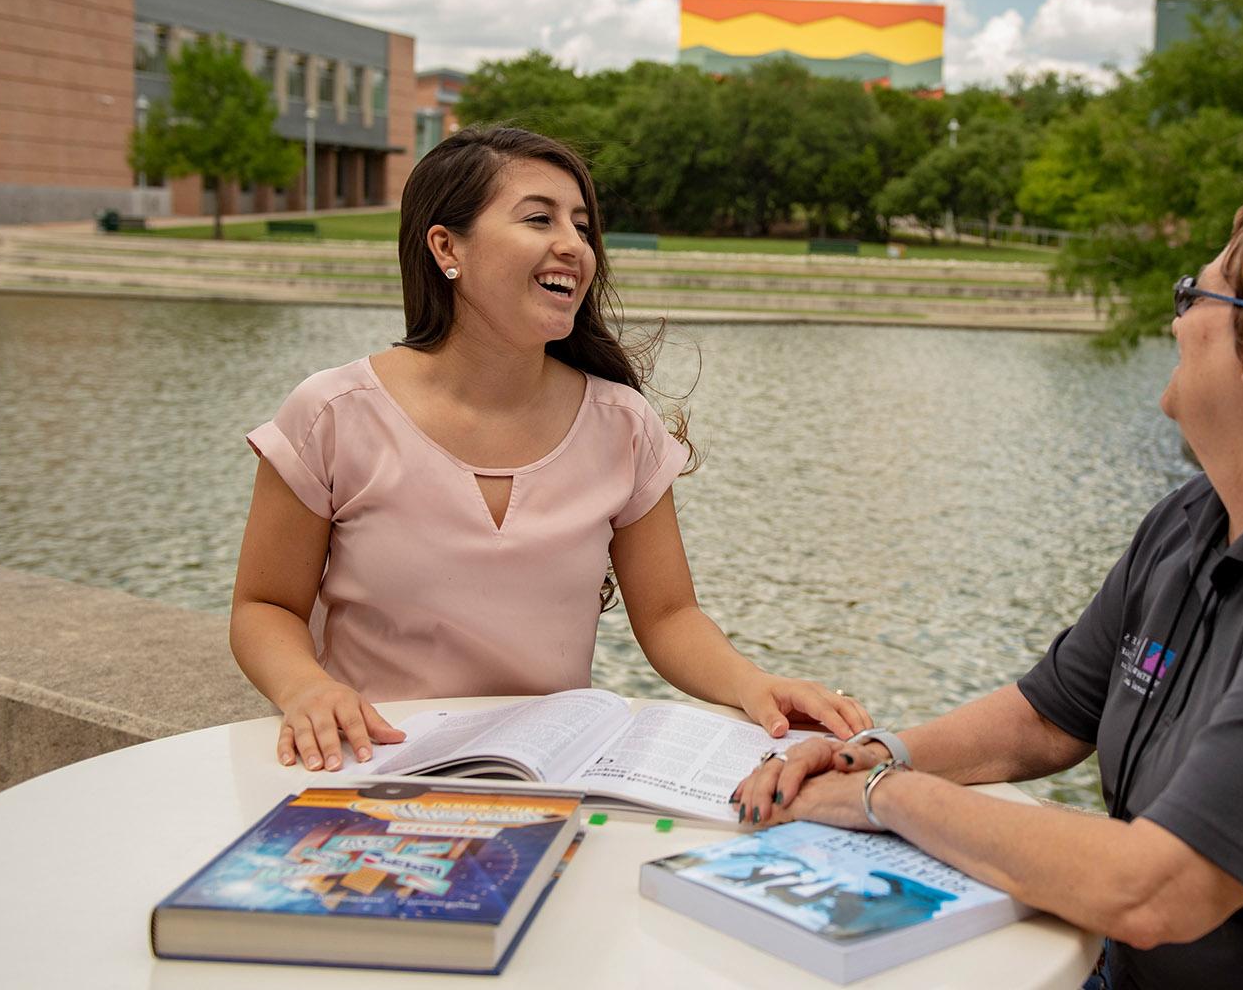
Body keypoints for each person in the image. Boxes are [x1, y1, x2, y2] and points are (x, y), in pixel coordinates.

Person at [736, 166, 1243, 989]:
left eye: (1191, 297)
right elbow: (1048, 718)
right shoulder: (1197, 518)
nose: (1175, 323)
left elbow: (1152, 891)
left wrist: (887, 797)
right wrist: (872, 752)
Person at [231, 126, 871, 773]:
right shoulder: (330, 414)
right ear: (446, 246)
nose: (574, 245)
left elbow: (671, 615)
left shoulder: (623, 424)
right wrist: (305, 687)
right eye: (539, 218)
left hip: (542, 773)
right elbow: (265, 606)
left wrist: (752, 685)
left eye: (583, 226)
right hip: (368, 766)